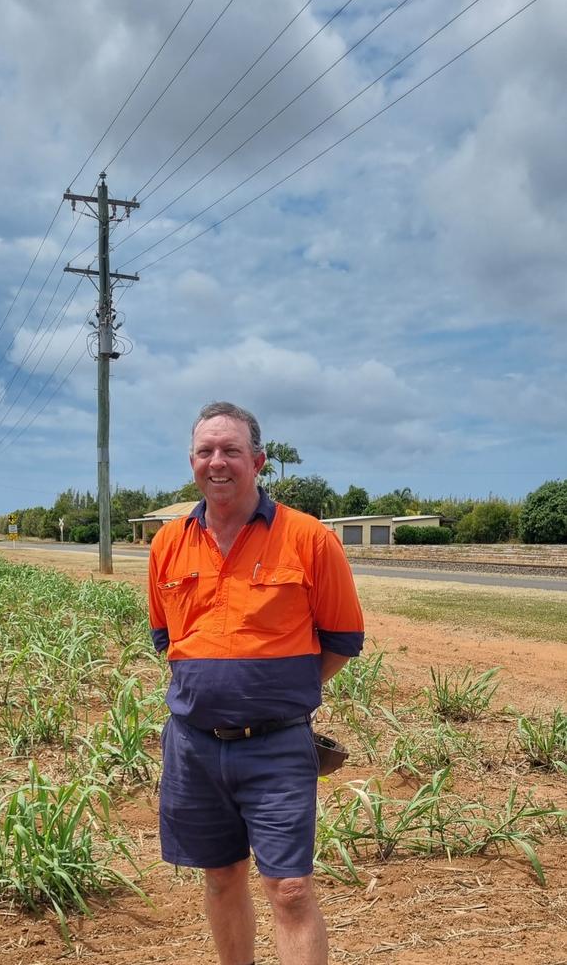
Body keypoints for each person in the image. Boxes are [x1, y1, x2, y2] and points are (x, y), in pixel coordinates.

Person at [148, 401, 364, 965]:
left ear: (259, 461)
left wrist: (275, 696)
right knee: (220, 876)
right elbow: (166, 640)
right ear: (192, 461)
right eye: (205, 451)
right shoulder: (167, 544)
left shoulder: (309, 539)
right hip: (193, 746)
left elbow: (341, 641)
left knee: (290, 890)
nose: (217, 462)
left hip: (276, 745)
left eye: (231, 451)